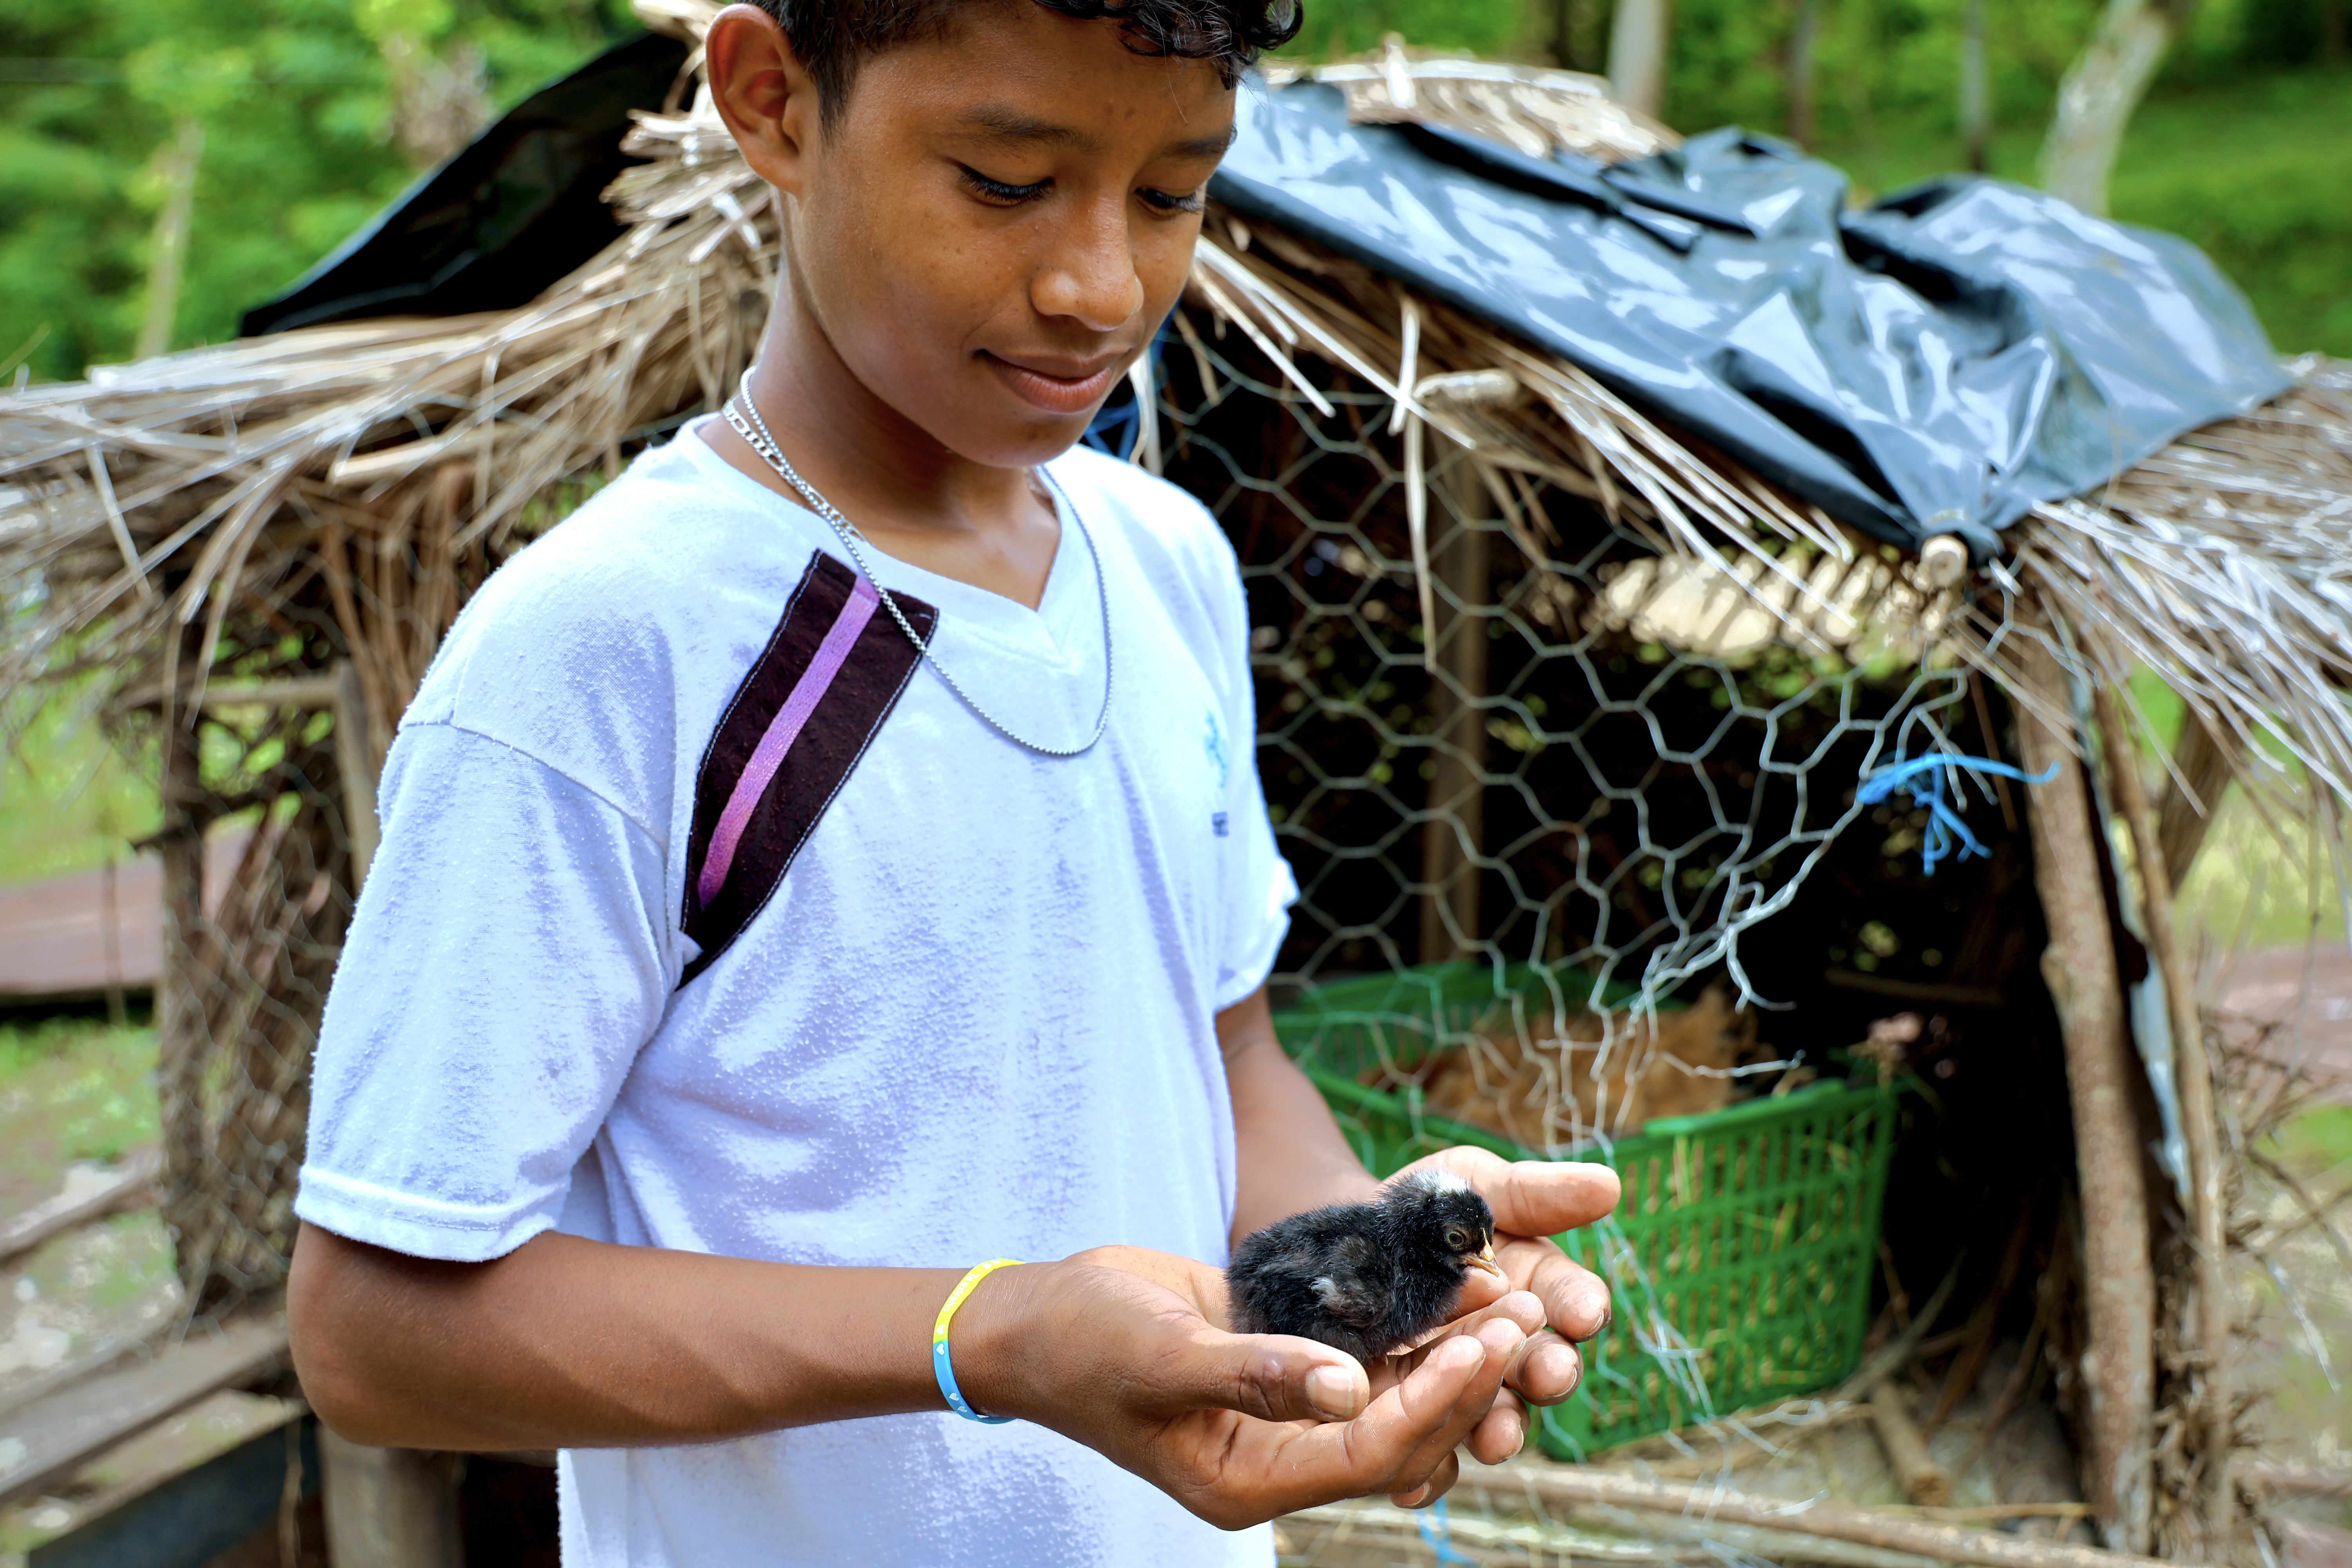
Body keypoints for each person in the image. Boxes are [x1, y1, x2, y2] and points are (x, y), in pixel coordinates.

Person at [285, 3, 1621, 1563]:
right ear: (774, 102)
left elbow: (1229, 1053)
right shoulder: (609, 647)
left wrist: (1370, 1274)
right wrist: (987, 1337)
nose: (1101, 286)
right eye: (1002, 180)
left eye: (1175, 191)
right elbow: (377, 1329)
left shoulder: (1166, 566)